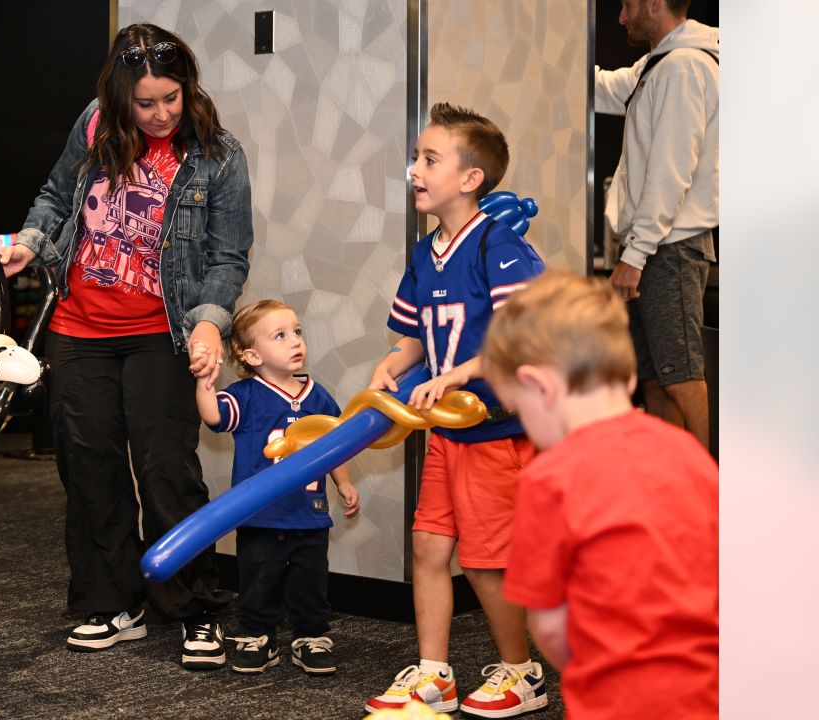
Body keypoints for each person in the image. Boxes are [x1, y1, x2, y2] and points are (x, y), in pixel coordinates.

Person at [0, 23, 253, 669]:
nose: (162, 112)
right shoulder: (93, 126)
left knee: (168, 471)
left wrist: (208, 322)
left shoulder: (217, 155)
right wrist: (31, 239)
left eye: (172, 97)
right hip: (79, 328)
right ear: (118, 98)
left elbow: (227, 255)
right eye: (146, 103)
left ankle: (193, 608)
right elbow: (58, 196)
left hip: (160, 333)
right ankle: (109, 603)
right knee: (89, 468)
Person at [363, 103, 548, 718]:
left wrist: (461, 374)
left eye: (430, 159)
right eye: (416, 157)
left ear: (472, 178)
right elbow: (415, 335)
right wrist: (393, 364)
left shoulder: (500, 244)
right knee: (428, 547)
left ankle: (522, 674)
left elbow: (522, 335)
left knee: (487, 559)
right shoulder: (424, 253)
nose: (415, 168)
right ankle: (434, 673)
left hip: (493, 430)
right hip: (448, 431)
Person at [481, 269, 719, 719]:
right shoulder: (687, 452)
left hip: (617, 699)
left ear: (540, 387)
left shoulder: (549, 479)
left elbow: (551, 625)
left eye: (521, 407)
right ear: (629, 378)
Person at [189, 300, 359, 675]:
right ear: (252, 355)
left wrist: (343, 482)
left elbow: (335, 445)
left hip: (308, 513)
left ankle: (311, 635)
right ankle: (257, 634)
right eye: (280, 336)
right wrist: (206, 383)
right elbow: (214, 416)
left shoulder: (318, 396)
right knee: (258, 578)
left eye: (297, 332)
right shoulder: (247, 395)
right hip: (261, 516)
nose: (295, 341)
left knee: (310, 580)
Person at [596, 0, 719, 449]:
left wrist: (634, 256)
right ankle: (672, 492)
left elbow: (672, 173)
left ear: (654, 4)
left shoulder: (684, 67)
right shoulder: (658, 66)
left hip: (670, 247)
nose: (622, 18)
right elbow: (599, 87)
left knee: (681, 376)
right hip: (654, 248)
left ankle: (708, 497)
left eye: (628, 6)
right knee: (653, 380)